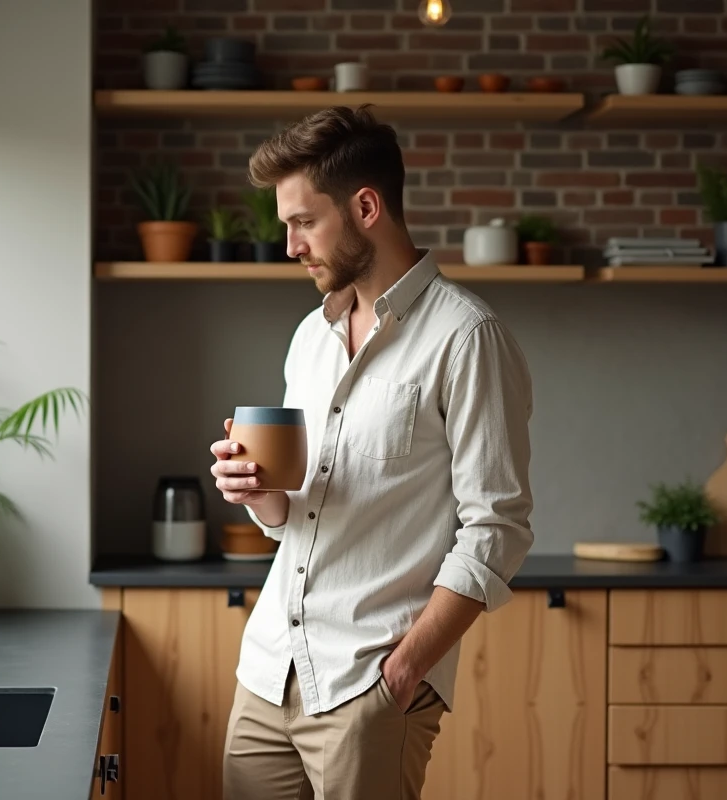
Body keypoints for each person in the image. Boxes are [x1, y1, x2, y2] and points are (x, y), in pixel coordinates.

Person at [209, 104, 535, 800]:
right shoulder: (309, 336)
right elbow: (295, 511)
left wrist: (407, 666)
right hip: (268, 676)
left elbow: (497, 528)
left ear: (365, 207)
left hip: (368, 682)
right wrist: (256, 491)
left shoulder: (466, 337)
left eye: (303, 222)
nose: (291, 245)